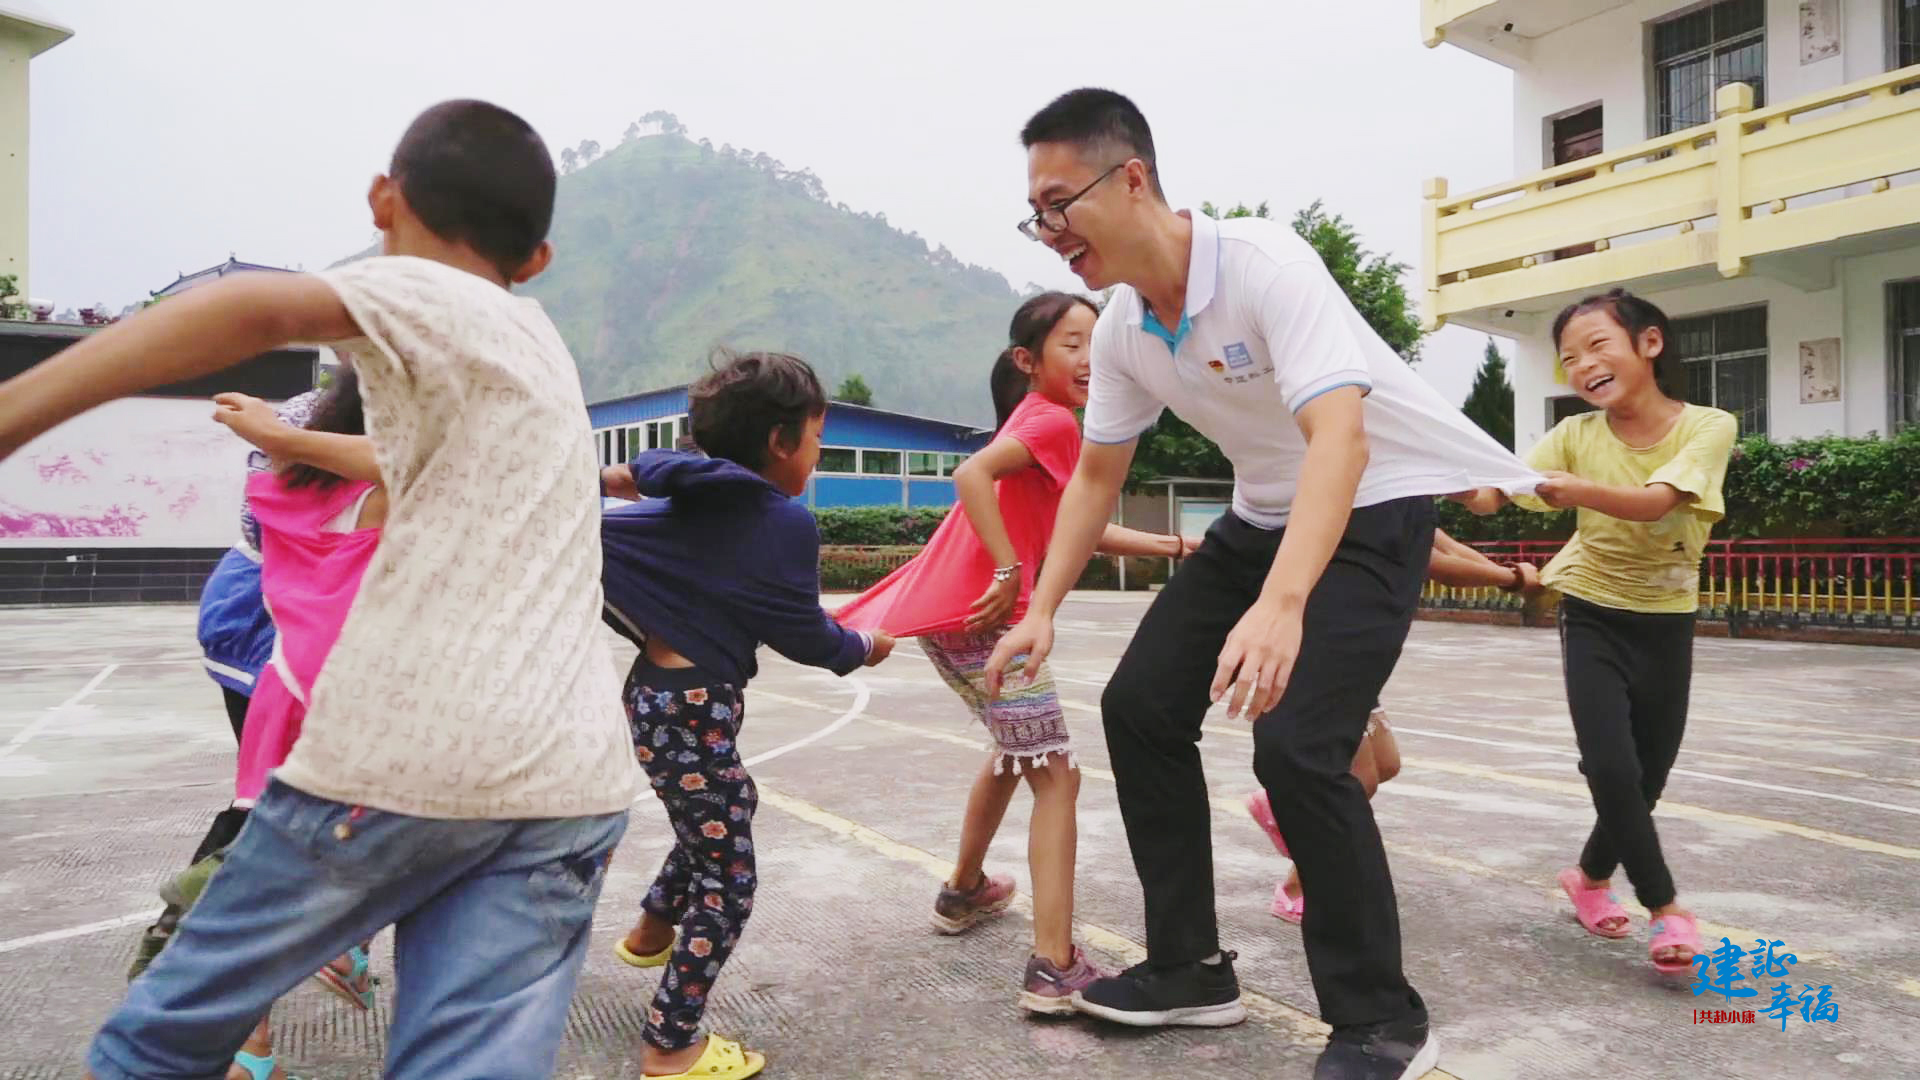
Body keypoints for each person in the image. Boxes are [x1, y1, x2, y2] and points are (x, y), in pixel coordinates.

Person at [0, 99, 639, 1080]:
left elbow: (249, 306)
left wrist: (16, 409)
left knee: (153, 1050)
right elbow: (384, 455)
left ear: (385, 199)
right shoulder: (535, 353)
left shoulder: (435, 293)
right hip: (571, 785)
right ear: (539, 257)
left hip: (414, 756)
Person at [981, 88, 1540, 1080]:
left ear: (1133, 178)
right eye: (1039, 214)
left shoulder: (1265, 265)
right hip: (1263, 513)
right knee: (1142, 706)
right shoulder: (1119, 330)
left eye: (1061, 203)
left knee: (1299, 747)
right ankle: (1190, 969)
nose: (1051, 232)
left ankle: (1379, 1020)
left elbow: (1342, 436)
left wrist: (1284, 606)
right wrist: (1041, 609)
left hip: (1377, 504)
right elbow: (1098, 477)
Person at [835, 292, 1195, 1015]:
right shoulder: (1054, 419)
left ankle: (964, 890)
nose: (1090, 357)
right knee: (1056, 775)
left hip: (956, 619)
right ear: (1029, 361)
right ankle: (1054, 966)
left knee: (1015, 752)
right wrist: (1007, 571)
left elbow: (1078, 526)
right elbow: (970, 477)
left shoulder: (1045, 425)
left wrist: (1170, 545)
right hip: (986, 619)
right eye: (1072, 343)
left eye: (1098, 340)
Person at [599, 351, 896, 1080]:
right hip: (693, 708)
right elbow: (805, 635)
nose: (820, 457)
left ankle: (650, 931)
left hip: (659, 698)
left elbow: (661, 474)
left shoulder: (690, 499)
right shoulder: (780, 521)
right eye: (821, 441)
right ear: (780, 442)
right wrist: (863, 645)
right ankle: (669, 1045)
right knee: (729, 882)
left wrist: (617, 477)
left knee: (723, 814)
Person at [1454, 288, 1736, 976]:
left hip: (1667, 616)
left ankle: (1587, 878)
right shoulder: (1573, 436)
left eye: (1597, 346)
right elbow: (1494, 497)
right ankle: (1667, 909)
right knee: (1611, 765)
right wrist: (1450, 466)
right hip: (1590, 609)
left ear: (1649, 344)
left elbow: (1656, 503)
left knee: (1646, 776)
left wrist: (1573, 492)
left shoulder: (1707, 426)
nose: (1582, 366)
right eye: (1569, 358)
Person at [1248, 531, 1543, 924]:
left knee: (1386, 764)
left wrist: (1512, 573)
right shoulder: (1365, 494)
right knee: (1356, 781)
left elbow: (1448, 545)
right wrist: (1512, 579)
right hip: (1323, 641)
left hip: (1360, 648)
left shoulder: (1412, 495)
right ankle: (1296, 886)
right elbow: (1432, 560)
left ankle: (1282, 803)